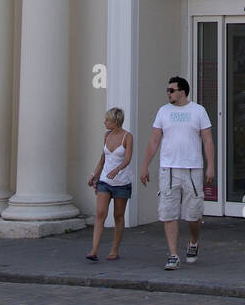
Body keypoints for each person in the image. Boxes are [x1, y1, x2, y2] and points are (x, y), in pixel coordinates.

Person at [140, 76, 215, 270]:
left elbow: (207, 139)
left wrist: (210, 166)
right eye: (167, 90)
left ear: (182, 92)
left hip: (192, 168)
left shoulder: (198, 111)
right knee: (168, 212)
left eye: (171, 90)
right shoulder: (163, 112)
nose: (168, 93)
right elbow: (154, 140)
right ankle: (173, 254)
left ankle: (193, 240)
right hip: (169, 168)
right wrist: (145, 165)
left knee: (193, 213)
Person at [86, 106, 133, 261]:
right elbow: (103, 158)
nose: (104, 122)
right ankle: (94, 250)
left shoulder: (127, 137)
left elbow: (127, 159)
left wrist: (117, 169)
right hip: (105, 181)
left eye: (107, 120)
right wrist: (94, 174)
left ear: (116, 121)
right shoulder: (106, 136)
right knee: (100, 213)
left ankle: (114, 250)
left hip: (121, 182)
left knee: (118, 216)